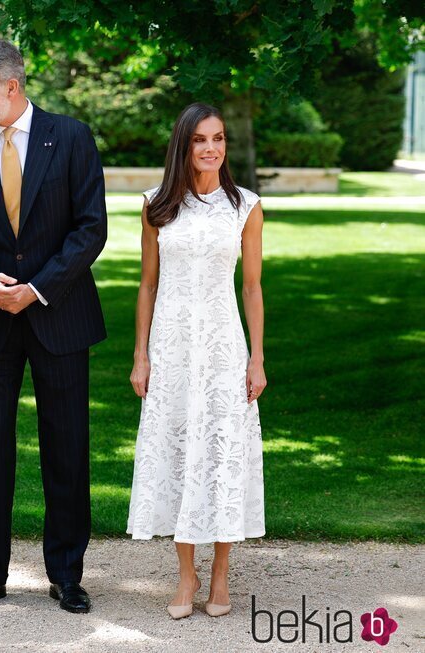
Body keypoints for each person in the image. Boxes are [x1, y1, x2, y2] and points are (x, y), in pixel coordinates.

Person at [0, 39, 108, 614]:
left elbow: (90, 231)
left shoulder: (74, 138)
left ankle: (66, 573)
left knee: (67, 450)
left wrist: (35, 290)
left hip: (60, 317)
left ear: (11, 86)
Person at [126, 102, 267, 619]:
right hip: (171, 348)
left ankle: (222, 576)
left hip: (225, 347)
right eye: (201, 140)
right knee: (179, 453)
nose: (212, 148)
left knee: (223, 453)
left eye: (220, 138)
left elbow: (252, 288)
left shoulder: (246, 206)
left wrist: (256, 358)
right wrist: (141, 356)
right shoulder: (156, 206)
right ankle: (186, 576)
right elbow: (147, 284)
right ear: (183, 145)